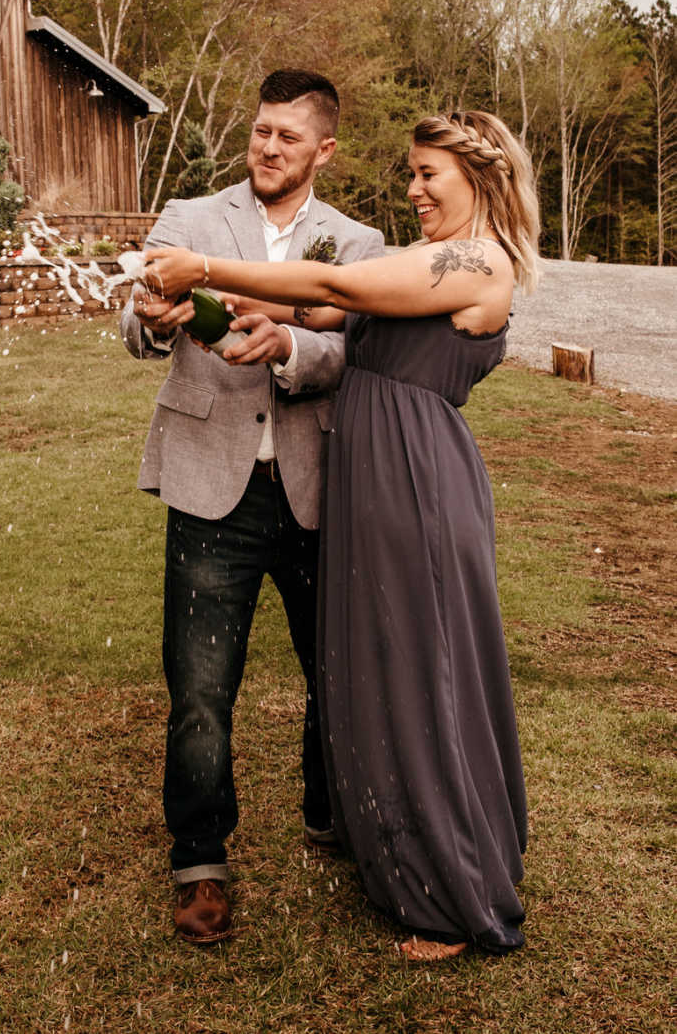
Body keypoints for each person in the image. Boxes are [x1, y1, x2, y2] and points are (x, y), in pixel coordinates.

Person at [145, 109, 540, 961]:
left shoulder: (478, 261)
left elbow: (343, 290)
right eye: (412, 172)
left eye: (428, 173)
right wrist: (217, 301)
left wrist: (207, 261)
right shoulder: (424, 259)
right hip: (375, 482)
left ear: (481, 175)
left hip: (416, 488)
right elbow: (325, 316)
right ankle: (405, 850)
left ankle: (452, 896)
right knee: (388, 672)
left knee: (424, 675)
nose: (412, 188)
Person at [120, 70, 384, 945]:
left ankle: (328, 809)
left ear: (324, 150)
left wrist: (293, 348)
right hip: (209, 488)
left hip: (320, 488)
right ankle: (200, 862)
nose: (269, 147)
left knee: (335, 673)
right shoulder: (190, 218)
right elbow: (130, 321)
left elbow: (364, 352)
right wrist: (155, 317)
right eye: (261, 130)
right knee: (199, 687)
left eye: (288, 137)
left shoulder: (360, 241)